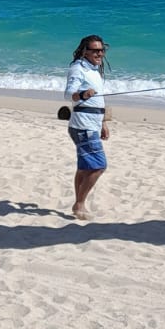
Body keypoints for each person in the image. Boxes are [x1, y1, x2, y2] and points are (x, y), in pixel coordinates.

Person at [64, 35, 110, 219]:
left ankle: (78, 205)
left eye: (101, 50)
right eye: (95, 50)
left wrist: (104, 123)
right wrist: (82, 94)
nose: (99, 53)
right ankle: (79, 204)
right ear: (85, 51)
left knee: (84, 167)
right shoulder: (78, 68)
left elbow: (100, 100)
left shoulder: (95, 70)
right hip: (83, 125)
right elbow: (68, 94)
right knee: (99, 166)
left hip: (93, 122)